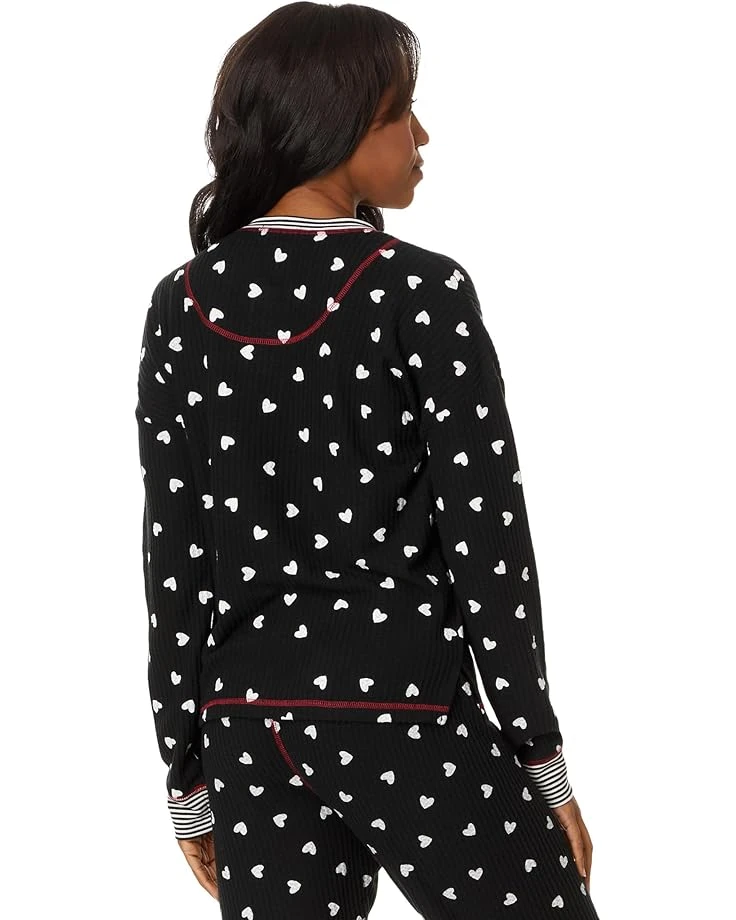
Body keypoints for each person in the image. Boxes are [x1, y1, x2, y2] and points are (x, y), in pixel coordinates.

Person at [135, 3, 602, 917]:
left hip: (249, 727)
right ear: (336, 122)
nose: (423, 137)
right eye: (402, 112)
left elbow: (175, 559)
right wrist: (539, 757)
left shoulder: (180, 304)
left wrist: (185, 769)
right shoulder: (421, 292)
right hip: (403, 710)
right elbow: (488, 542)